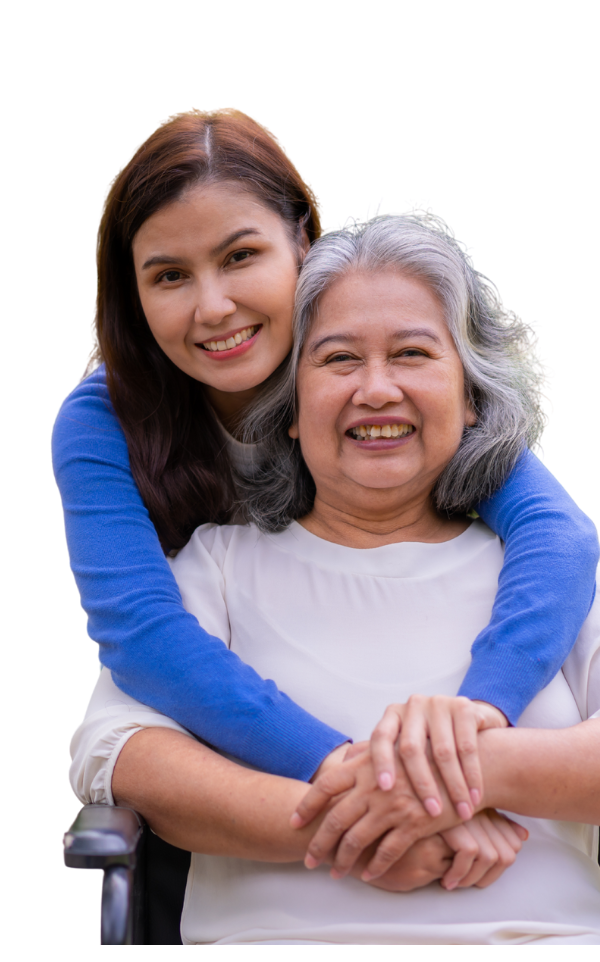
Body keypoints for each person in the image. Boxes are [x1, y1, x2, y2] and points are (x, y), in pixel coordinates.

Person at [69, 209, 600, 945]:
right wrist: (371, 826)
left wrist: (474, 764)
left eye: (412, 353)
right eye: (339, 359)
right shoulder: (217, 564)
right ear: (286, 409)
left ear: (471, 394)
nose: (376, 388)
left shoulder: (553, 574)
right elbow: (125, 755)